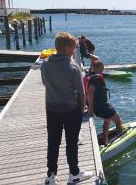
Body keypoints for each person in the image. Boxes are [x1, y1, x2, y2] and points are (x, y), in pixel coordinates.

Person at [41, 32, 93, 185]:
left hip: (51, 109)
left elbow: (45, 83)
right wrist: (81, 109)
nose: (74, 50)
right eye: (73, 47)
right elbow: (81, 93)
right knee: (71, 143)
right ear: (67, 48)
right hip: (71, 110)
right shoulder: (73, 67)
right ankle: (74, 174)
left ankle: (51, 176)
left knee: (53, 142)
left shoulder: (45, 65)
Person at [86, 60, 123, 146]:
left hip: (99, 106)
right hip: (103, 106)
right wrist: (90, 109)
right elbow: (90, 92)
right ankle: (120, 137)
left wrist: (91, 107)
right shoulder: (98, 78)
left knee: (107, 121)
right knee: (118, 121)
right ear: (101, 68)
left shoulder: (91, 76)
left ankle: (105, 141)